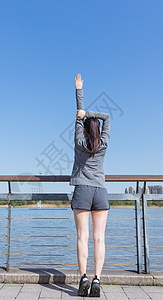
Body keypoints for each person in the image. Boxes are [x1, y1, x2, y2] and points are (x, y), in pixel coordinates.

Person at [70, 73, 111, 297]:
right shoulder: (103, 143)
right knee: (99, 238)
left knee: (82, 237)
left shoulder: (79, 142)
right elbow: (107, 117)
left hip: (82, 191)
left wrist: (79, 92)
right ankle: (97, 280)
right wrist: (90, 114)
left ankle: (83, 277)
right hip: (100, 191)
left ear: (85, 128)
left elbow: (77, 117)